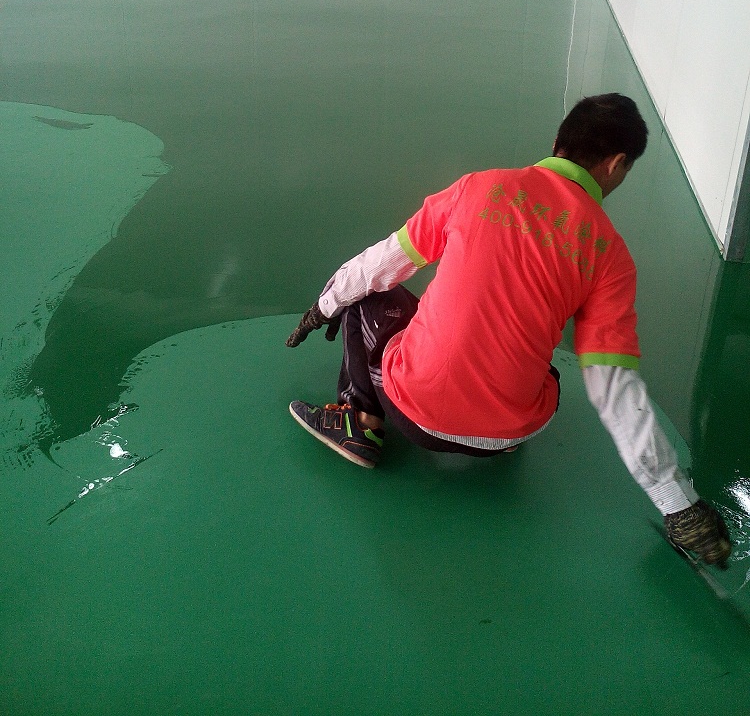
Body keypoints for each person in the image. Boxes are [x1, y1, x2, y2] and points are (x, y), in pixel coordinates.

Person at [286, 93, 732, 568]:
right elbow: (614, 388)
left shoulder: (478, 187)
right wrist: (678, 506)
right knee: (548, 373)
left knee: (368, 295)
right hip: (507, 434)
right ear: (616, 164)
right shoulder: (610, 254)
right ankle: (494, 432)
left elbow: (380, 264)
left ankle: (360, 422)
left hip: (414, 415)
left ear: (558, 143)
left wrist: (324, 307)